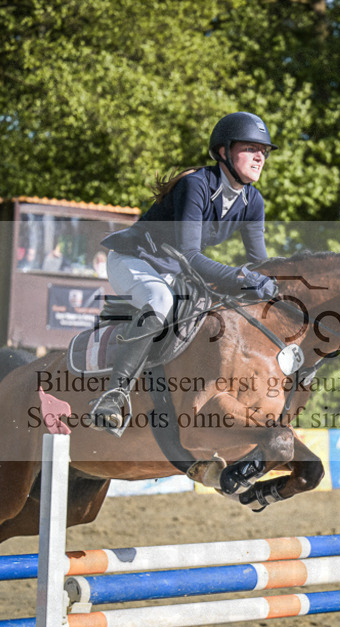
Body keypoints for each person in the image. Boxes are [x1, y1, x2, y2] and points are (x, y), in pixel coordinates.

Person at [90, 111, 280, 435]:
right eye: (250, 148)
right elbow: (192, 255)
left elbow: (259, 263)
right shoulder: (196, 185)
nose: (260, 156)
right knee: (160, 300)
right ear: (224, 151)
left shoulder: (253, 201)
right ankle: (114, 394)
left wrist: (282, 285)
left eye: (264, 150)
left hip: (174, 269)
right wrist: (242, 278)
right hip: (134, 259)